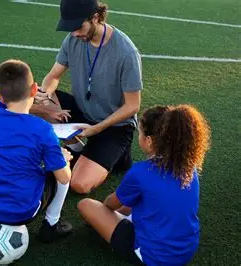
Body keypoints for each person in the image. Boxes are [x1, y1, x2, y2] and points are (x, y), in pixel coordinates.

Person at [31, 0, 142, 194]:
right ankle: (78, 148)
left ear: (96, 17)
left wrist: (96, 129)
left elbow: (133, 106)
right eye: (70, 28)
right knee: (32, 99)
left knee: (79, 185)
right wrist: (45, 93)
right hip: (82, 110)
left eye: (78, 27)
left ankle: (116, 156)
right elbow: (53, 75)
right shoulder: (73, 39)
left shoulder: (126, 52)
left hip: (113, 125)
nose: (74, 33)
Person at [77, 105, 211, 265]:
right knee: (138, 202)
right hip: (186, 250)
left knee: (86, 205)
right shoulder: (190, 168)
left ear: (149, 140)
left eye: (139, 132)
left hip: (152, 256)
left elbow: (110, 204)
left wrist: (104, 213)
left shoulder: (141, 172)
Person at [0, 59, 73, 243]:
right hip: (22, 210)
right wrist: (63, 160)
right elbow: (64, 178)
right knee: (62, 170)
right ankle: (51, 224)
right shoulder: (42, 129)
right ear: (34, 89)